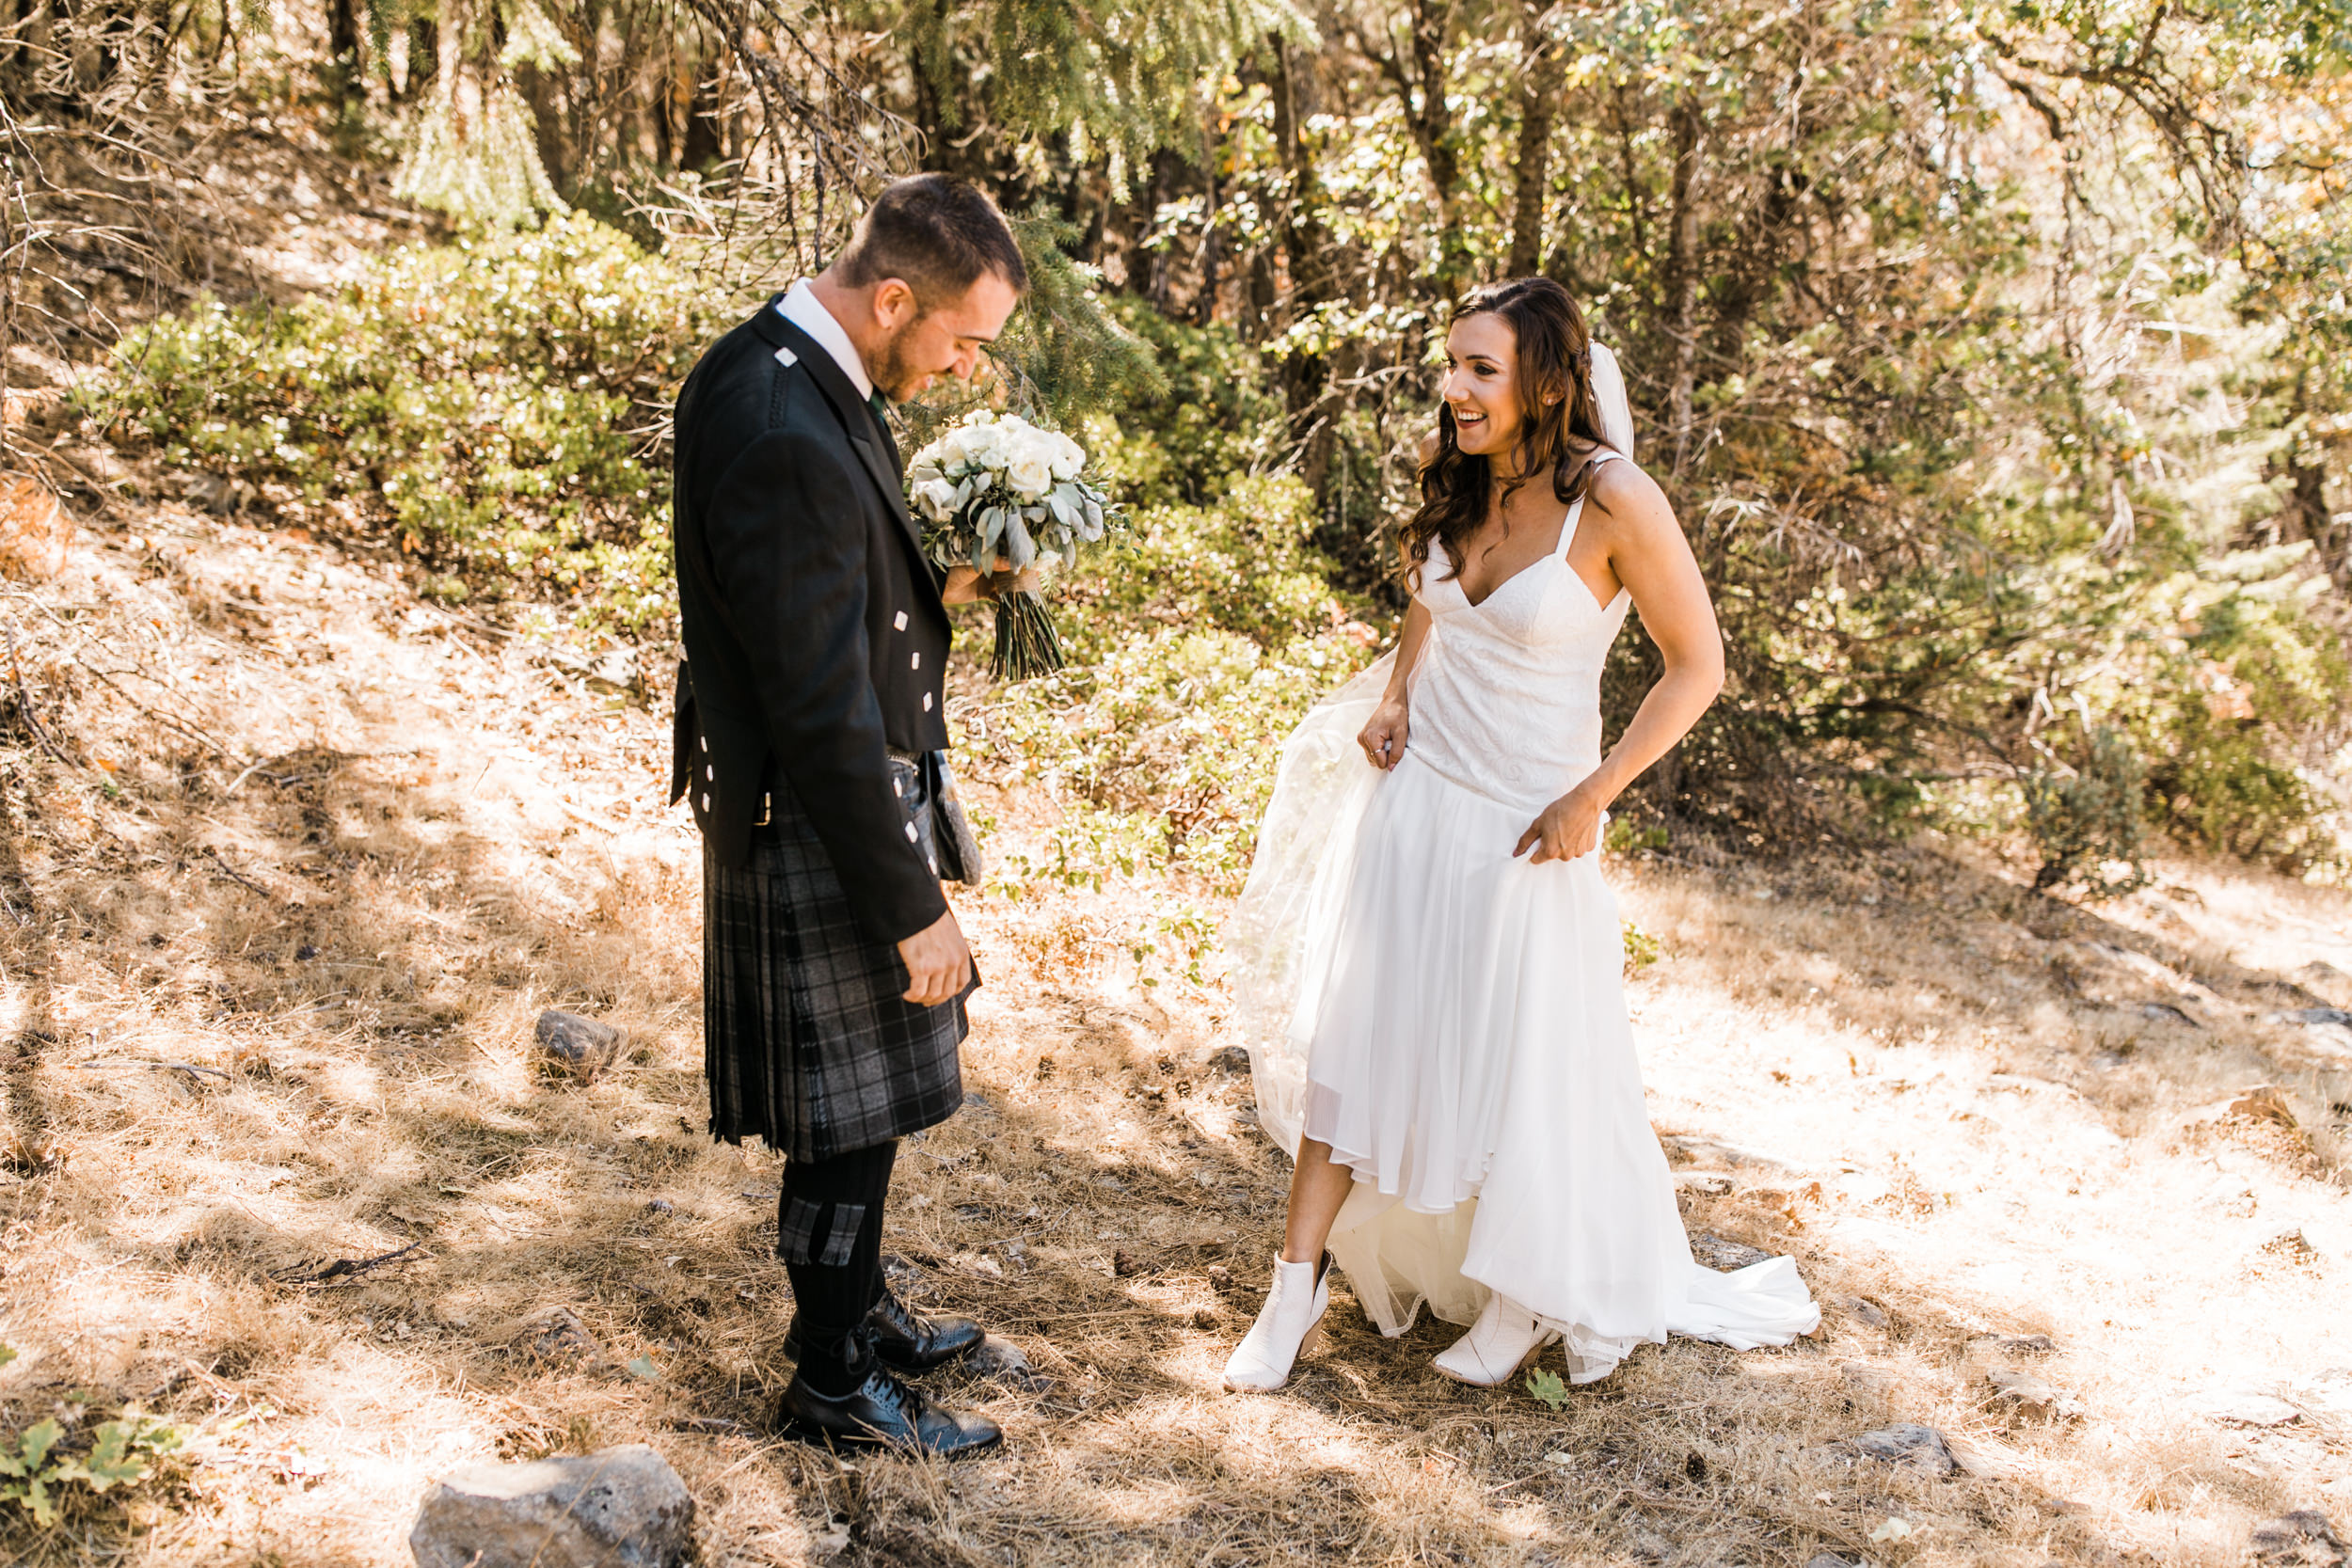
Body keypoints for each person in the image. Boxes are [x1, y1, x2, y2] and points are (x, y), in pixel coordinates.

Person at [1222, 277, 1819, 1393]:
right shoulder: (1461, 476)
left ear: (1546, 383)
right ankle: (1289, 1288)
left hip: (1527, 834)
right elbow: (1431, 592)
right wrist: (1397, 690)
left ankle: (1525, 1295)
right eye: (1450, 363)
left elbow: (1700, 667)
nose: (1453, 387)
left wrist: (1597, 793)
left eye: (1480, 369)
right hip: (1415, 807)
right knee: (1355, 1045)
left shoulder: (1613, 500)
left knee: (1517, 1067)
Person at [668, 173, 1028, 1455]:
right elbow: (813, 701)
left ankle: (855, 1306)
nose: (965, 364)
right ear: (892, 299)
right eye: (961, 338)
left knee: (868, 1102)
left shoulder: (804, 368)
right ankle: (830, 1379)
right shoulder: (779, 418)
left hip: (844, 786)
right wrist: (912, 903)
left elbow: (820, 598)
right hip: (824, 807)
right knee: (847, 1112)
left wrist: (948, 582)